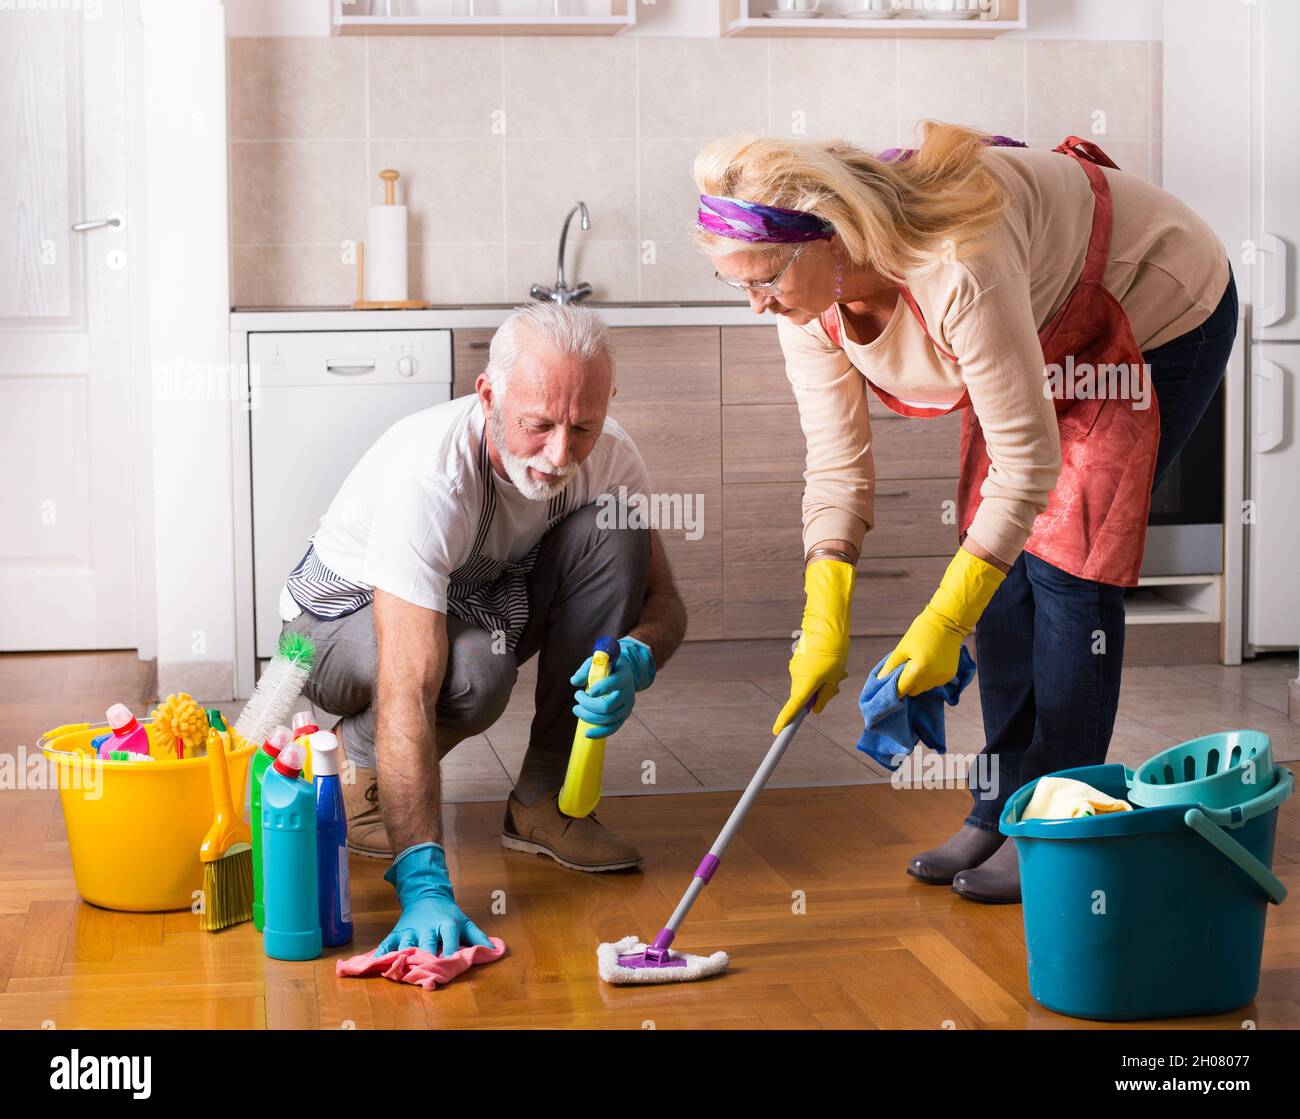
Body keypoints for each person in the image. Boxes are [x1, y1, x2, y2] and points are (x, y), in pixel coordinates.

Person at [692, 123, 1234, 902]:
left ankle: (1054, 825)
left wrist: (941, 623)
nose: (754, 305)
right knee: (1003, 575)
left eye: (764, 279)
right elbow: (838, 462)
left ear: (828, 239)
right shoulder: (805, 307)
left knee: (1067, 567)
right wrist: (825, 611)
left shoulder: (954, 265)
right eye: (735, 284)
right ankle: (999, 805)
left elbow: (1027, 467)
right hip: (1042, 326)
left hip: (1152, 306)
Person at [279, 301, 687, 953]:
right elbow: (410, 682)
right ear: (489, 395)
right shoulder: (432, 473)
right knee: (471, 675)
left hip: (471, 600)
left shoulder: (608, 457)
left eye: (582, 427)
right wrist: (423, 885)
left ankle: (543, 803)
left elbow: (666, 604)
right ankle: (359, 778)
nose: (560, 454)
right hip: (331, 625)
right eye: (539, 425)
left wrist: (639, 651)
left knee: (615, 527)